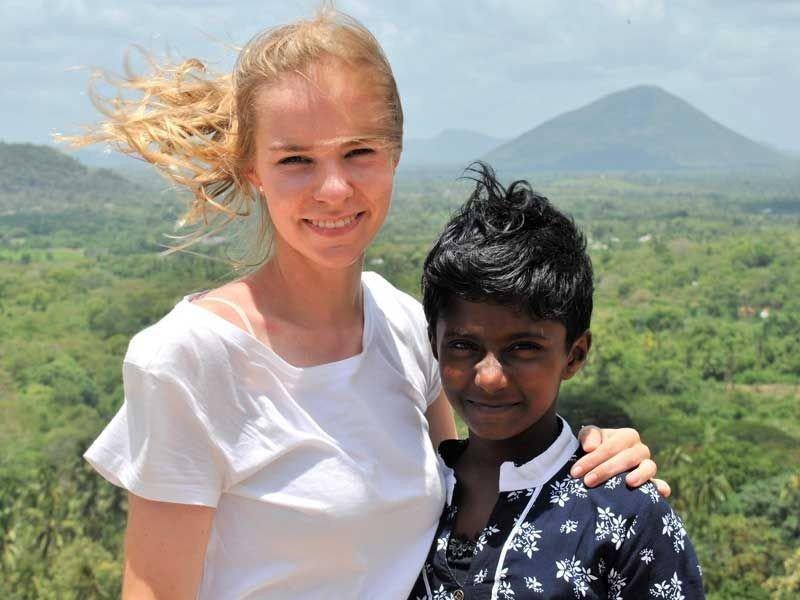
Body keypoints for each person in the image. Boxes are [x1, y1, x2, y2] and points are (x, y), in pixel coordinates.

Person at [71, 8, 666, 599]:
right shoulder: (190, 358)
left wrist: (593, 462)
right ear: (252, 168)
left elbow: (468, 492)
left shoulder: (402, 323)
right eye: (295, 159)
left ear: (395, 155)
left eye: (359, 151)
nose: (333, 189)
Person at [408, 163, 703, 599]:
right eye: (464, 346)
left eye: (523, 348)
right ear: (434, 343)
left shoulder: (624, 514)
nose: (489, 377)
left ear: (574, 354)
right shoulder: (410, 489)